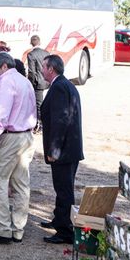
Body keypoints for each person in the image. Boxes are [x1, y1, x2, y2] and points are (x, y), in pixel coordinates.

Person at [0, 52, 36, 246]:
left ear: (4, 66)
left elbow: (1, 117)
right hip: (26, 135)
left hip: (10, 137)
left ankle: (3, 228)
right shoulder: (25, 81)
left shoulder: (6, 83)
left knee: (0, 182)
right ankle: (18, 228)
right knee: (21, 184)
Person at [40, 54, 84, 245]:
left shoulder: (59, 87)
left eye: (43, 67)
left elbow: (60, 120)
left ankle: (65, 231)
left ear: (51, 69)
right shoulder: (65, 84)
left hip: (64, 151)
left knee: (64, 190)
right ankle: (60, 219)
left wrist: (54, 149)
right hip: (69, 149)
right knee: (62, 188)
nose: (41, 70)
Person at [26, 35, 50, 133]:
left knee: (38, 104)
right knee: (42, 103)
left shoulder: (31, 55)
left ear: (31, 43)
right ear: (39, 42)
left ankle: (40, 126)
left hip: (37, 83)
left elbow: (31, 72)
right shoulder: (46, 53)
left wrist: (30, 84)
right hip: (46, 80)